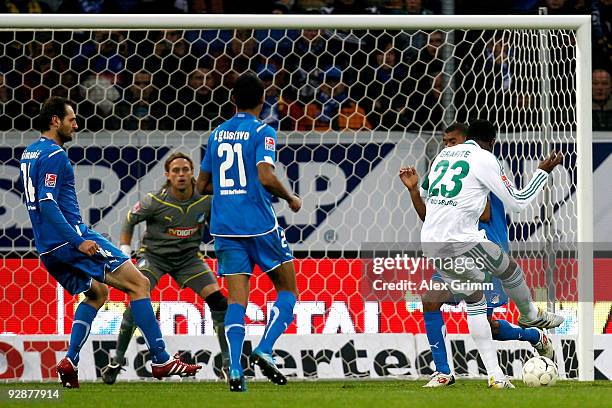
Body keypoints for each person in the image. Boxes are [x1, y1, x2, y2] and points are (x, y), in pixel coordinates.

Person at [19, 97, 201, 389]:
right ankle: (161, 359)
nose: (76, 124)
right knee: (139, 284)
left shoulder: (29, 153)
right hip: (70, 239)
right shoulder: (55, 155)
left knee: (97, 294)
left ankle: (70, 360)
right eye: (71, 119)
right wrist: (78, 241)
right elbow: (47, 201)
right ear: (55, 121)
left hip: (47, 248)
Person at [401, 119, 564, 388]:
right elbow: (520, 203)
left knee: (483, 304)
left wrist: (422, 193)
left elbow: (440, 202)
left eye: (452, 140)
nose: (448, 145)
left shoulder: (443, 158)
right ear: (492, 142)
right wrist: (542, 173)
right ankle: (527, 323)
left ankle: (518, 346)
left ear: (465, 139)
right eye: (446, 141)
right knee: (478, 299)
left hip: (438, 244)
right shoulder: (484, 160)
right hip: (463, 243)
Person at [197, 72, 301, 392]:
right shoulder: (263, 131)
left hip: (225, 227)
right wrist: (291, 197)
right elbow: (266, 177)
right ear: (263, 100)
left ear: (232, 100)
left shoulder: (217, 134)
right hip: (259, 225)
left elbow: (202, 186)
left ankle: (236, 369)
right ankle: (265, 348)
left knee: (237, 301)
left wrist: (230, 191)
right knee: (288, 289)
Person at [100, 152, 229, 385]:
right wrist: (125, 253)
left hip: (189, 259)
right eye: (176, 171)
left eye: (185, 169)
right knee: (136, 303)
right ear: (168, 176)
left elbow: (217, 225)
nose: (181, 174)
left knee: (219, 302)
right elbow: (129, 220)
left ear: (192, 173)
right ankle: (117, 361)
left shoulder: (206, 199)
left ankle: (229, 365)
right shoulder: (155, 201)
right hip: (154, 258)